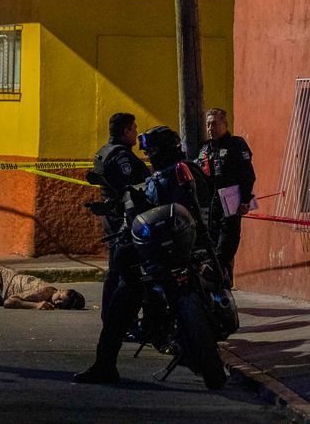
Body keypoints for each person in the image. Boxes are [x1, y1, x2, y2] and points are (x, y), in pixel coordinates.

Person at [75, 124, 214, 386]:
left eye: (152, 152)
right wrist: (115, 208)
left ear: (165, 150)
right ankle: (105, 363)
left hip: (184, 251)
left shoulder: (183, 173)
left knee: (192, 293)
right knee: (122, 299)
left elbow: (194, 208)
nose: (149, 157)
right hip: (156, 254)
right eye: (147, 153)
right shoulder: (156, 178)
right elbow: (140, 204)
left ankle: (191, 346)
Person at [89, 112, 149, 327]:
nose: (136, 133)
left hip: (112, 217)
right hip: (123, 219)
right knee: (127, 272)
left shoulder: (104, 151)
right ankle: (122, 320)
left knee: (115, 271)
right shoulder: (122, 156)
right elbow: (136, 186)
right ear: (125, 131)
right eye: (133, 129)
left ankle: (112, 318)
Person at [196, 107, 257, 287]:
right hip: (210, 204)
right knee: (210, 244)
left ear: (225, 124)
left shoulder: (236, 145)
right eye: (208, 124)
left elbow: (248, 175)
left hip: (231, 202)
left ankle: (218, 279)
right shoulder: (205, 148)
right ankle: (217, 283)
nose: (210, 128)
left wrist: (245, 200)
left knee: (226, 245)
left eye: (214, 124)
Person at [0, 265, 86, 310]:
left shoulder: (49, 301)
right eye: (60, 298)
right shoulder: (43, 292)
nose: (58, 302)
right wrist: (35, 305)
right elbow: (9, 302)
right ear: (61, 289)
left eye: (62, 304)